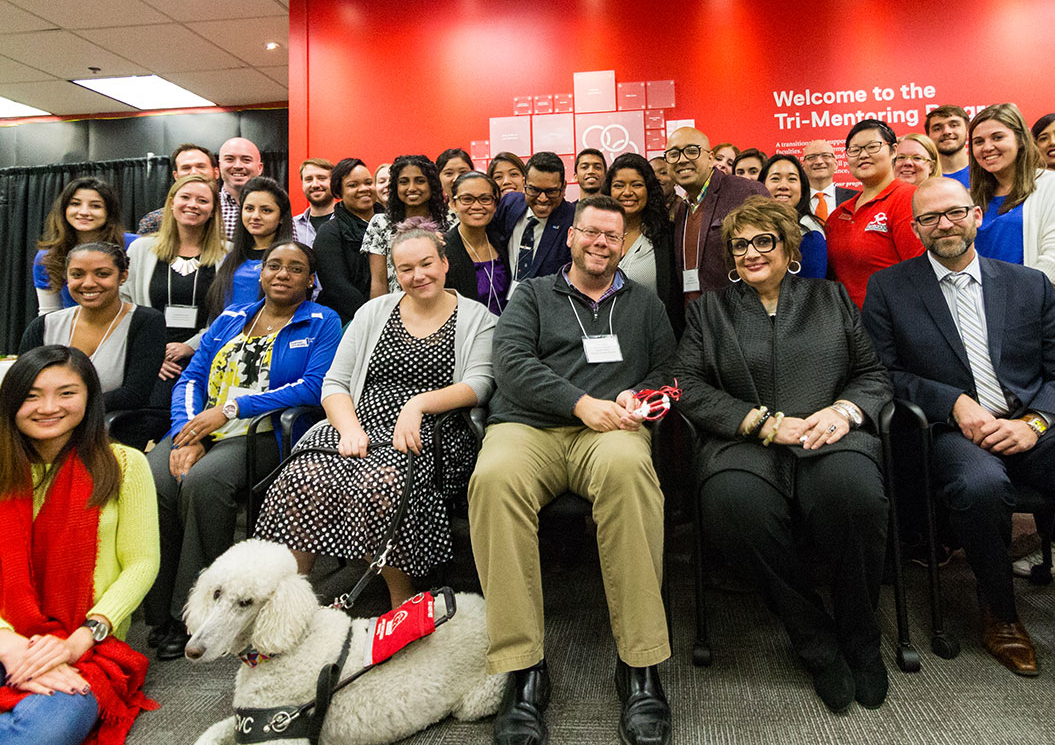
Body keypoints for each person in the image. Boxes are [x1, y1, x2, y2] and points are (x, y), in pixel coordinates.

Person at [862, 177, 1055, 718]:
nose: (942, 224)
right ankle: (999, 611)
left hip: (1035, 423)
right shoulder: (891, 288)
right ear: (916, 228)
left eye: (953, 213)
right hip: (951, 431)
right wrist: (955, 404)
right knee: (979, 483)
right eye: (928, 218)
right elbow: (883, 373)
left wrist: (1035, 423)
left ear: (974, 216)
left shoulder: (1028, 284)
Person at [469, 195, 677, 745]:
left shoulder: (645, 306)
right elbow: (511, 365)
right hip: (528, 427)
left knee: (633, 475)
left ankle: (639, 663)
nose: (600, 244)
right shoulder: (533, 294)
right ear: (572, 236)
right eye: (591, 233)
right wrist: (580, 402)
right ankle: (522, 667)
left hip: (610, 434)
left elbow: (668, 370)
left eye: (612, 237)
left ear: (623, 244)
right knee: (492, 480)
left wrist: (642, 394)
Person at [675, 197, 893, 712]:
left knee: (855, 497)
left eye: (762, 241)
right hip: (746, 442)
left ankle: (861, 635)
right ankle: (811, 633)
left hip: (827, 437)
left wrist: (844, 411)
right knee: (734, 506)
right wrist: (759, 422)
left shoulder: (831, 298)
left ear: (788, 246)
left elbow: (873, 375)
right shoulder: (710, 310)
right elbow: (684, 383)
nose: (751, 253)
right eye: (739, 245)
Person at [256, 222, 496, 609]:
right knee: (301, 477)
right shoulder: (373, 312)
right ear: (394, 273)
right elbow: (334, 384)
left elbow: (479, 385)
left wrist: (416, 405)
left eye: (426, 264)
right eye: (405, 269)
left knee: (379, 483)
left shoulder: (476, 317)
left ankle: (401, 602)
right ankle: (288, 601)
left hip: (433, 429)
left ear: (445, 263)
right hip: (357, 420)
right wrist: (349, 430)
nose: (417, 276)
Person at [144, 242, 340, 660]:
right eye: (274, 265)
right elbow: (192, 376)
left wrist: (232, 409)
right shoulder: (232, 317)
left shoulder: (323, 321)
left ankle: (194, 618)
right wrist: (187, 432)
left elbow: (313, 386)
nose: (282, 274)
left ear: (311, 279)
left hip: (264, 433)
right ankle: (158, 613)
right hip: (201, 426)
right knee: (154, 479)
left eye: (295, 268)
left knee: (203, 482)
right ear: (261, 273)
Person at [0, 346, 158, 745]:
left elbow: (141, 563)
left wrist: (79, 640)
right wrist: (8, 643)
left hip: (88, 646)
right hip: (3, 635)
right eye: (32, 395)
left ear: (89, 398)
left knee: (42, 734)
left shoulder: (124, 464)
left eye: (66, 393)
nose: (48, 407)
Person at [968, 103, 1055, 341]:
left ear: (1021, 140)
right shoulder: (970, 197)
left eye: (997, 137)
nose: (987, 147)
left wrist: (1011, 306)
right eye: (978, 141)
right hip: (983, 323)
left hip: (1042, 321)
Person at [21, 243, 167, 415]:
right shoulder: (43, 325)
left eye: (102, 274)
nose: (88, 283)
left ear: (123, 276)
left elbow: (135, 394)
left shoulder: (147, 321)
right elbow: (22, 385)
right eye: (77, 274)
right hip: (46, 422)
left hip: (108, 430)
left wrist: (68, 409)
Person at [122, 176, 226, 409]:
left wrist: (193, 345)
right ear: (171, 203)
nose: (193, 205)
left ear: (213, 210)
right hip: (151, 355)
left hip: (203, 354)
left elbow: (231, 312)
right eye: (185, 197)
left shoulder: (226, 253)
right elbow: (124, 305)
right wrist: (152, 354)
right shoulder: (140, 249)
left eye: (202, 200)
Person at [824, 120, 923, 308]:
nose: (863, 155)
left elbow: (919, 272)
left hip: (891, 323)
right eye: (855, 150)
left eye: (872, 147)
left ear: (893, 151)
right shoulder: (839, 214)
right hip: (848, 327)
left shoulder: (908, 199)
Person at [667, 126, 767, 302]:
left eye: (691, 151)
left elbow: (774, 257)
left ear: (710, 158)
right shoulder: (682, 208)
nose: (682, 160)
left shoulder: (746, 192)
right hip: (695, 319)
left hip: (740, 317)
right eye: (674, 154)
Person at [600, 153, 682, 331]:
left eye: (636, 185)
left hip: (653, 338)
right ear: (609, 191)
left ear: (649, 190)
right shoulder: (596, 235)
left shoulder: (667, 235)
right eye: (619, 185)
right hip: (603, 340)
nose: (627, 192)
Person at [33, 177, 136, 315]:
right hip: (74, 332)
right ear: (64, 209)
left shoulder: (135, 246)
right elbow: (49, 313)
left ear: (109, 212)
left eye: (95, 206)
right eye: (75, 204)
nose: (84, 212)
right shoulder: (47, 257)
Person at [491, 152, 574, 297]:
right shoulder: (509, 204)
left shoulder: (574, 219)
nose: (542, 199)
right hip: (505, 304)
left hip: (547, 308)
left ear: (564, 187)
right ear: (524, 184)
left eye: (551, 191)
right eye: (534, 190)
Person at [364, 155, 448, 297]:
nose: (412, 188)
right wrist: (379, 316)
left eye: (420, 181)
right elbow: (379, 282)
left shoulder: (451, 220)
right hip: (398, 309)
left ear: (432, 184)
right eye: (403, 182)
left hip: (444, 305)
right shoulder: (381, 223)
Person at [206, 177, 294, 314]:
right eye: (249, 209)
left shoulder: (295, 260)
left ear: (281, 217)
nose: (255, 216)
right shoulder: (229, 257)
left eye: (266, 210)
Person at [314, 158, 382, 324]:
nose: (364, 189)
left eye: (368, 182)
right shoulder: (329, 232)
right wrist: (373, 318)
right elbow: (338, 288)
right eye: (353, 185)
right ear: (339, 192)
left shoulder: (394, 223)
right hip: (352, 320)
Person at [445, 172, 510, 315]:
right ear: (453, 204)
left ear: (495, 204)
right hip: (465, 333)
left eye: (485, 199)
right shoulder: (442, 249)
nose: (476, 206)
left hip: (505, 332)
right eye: (467, 199)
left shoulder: (503, 242)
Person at [759, 153, 827, 279]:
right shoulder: (751, 226)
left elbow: (811, 290)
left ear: (802, 189)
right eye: (775, 178)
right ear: (761, 185)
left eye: (792, 179)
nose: (783, 186)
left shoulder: (810, 234)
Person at [136, 143, 220, 235]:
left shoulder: (234, 216)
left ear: (216, 172)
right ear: (176, 176)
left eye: (200, 166)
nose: (194, 172)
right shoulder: (154, 221)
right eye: (186, 168)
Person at [216, 137, 263, 240]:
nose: (238, 166)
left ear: (260, 168)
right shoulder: (207, 206)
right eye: (230, 159)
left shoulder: (276, 208)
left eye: (246, 160)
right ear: (220, 166)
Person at [801, 140, 855, 226]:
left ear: (836, 164)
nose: (819, 162)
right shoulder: (796, 201)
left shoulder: (855, 199)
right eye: (811, 157)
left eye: (825, 156)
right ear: (803, 166)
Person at [292, 158, 335, 247]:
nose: (315, 184)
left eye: (322, 178)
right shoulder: (292, 226)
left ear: (334, 182)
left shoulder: (348, 221)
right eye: (308, 179)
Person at [925, 105, 971, 185]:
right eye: (937, 129)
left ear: (967, 131)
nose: (946, 131)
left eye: (954, 125)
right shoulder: (923, 178)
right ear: (928, 137)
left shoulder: (985, 171)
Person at [649, 155, 681, 221]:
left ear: (675, 179)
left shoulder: (683, 208)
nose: (657, 178)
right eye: (651, 174)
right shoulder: (640, 210)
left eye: (663, 173)